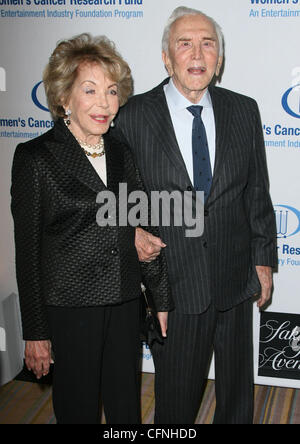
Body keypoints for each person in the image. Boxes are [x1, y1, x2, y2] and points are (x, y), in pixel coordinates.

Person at [114, 7, 277, 424]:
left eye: (208, 43)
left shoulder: (244, 110)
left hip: (235, 280)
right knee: (175, 404)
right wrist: (131, 231)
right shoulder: (132, 116)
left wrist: (263, 260)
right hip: (173, 285)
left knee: (238, 400)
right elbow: (117, 195)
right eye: (185, 43)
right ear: (167, 57)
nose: (197, 53)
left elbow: (257, 192)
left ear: (219, 58)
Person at [10, 33, 172, 425]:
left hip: (123, 302)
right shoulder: (36, 158)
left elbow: (142, 230)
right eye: (90, 90)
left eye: (112, 91)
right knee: (77, 409)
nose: (104, 102)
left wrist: (160, 298)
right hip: (70, 309)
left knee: (126, 409)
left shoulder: (120, 151)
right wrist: (35, 332)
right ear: (64, 98)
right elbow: (28, 253)